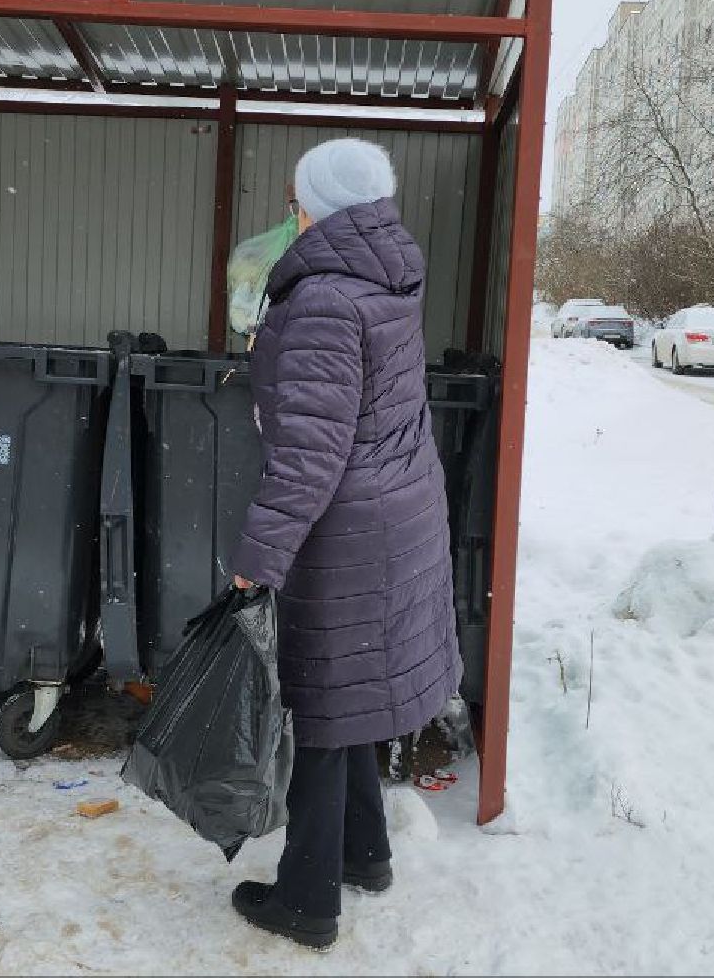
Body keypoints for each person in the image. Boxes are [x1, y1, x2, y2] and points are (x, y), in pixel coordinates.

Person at [227, 138, 461, 950]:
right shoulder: (381, 276)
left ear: (314, 206)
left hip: (349, 524)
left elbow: (310, 452)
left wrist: (258, 556)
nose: (289, 211)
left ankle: (306, 900)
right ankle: (363, 853)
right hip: (397, 509)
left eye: (296, 197)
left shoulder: (324, 297)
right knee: (356, 687)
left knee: (324, 705)